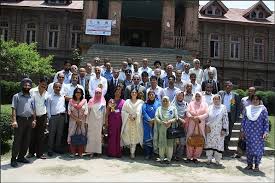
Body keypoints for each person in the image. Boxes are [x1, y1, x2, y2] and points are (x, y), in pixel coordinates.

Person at [10, 78, 36, 167]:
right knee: (17, 140)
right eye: (25, 85)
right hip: (20, 120)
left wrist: (34, 120)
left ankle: (21, 157)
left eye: (29, 85)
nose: (27, 86)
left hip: (29, 120)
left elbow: (33, 109)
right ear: (22, 85)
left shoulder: (32, 97)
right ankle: (13, 159)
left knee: (26, 140)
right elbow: (14, 109)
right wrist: (14, 120)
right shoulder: (16, 96)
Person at [241, 94, 269, 172]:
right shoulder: (247, 109)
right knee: (249, 149)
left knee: (258, 150)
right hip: (248, 133)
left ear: (259, 101)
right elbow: (243, 120)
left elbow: (266, 122)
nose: (255, 101)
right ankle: (249, 164)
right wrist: (242, 131)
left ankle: (257, 165)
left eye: (257, 99)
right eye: (254, 99)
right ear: (251, 100)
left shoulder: (263, 109)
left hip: (259, 134)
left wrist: (265, 132)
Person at [27, 76, 49, 160]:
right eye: (42, 84)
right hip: (33, 117)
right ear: (39, 83)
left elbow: (46, 105)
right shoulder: (32, 91)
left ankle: (40, 154)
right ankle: (31, 153)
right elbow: (29, 104)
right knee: (32, 135)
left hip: (43, 116)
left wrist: (46, 118)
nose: (44, 86)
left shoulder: (46, 93)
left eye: (45, 85)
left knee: (41, 135)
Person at [204, 95, 229, 166]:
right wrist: (207, 126)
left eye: (217, 99)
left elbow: (225, 119)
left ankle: (217, 160)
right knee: (209, 143)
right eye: (214, 99)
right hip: (210, 129)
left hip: (219, 129)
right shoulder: (210, 107)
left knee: (219, 144)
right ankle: (209, 159)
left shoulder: (223, 107)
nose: (216, 100)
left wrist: (224, 129)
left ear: (220, 100)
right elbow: (207, 118)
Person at [121, 88, 144, 159]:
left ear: (137, 94)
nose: (134, 93)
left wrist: (136, 115)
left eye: (135, 92)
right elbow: (123, 111)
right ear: (130, 93)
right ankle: (128, 150)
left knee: (134, 137)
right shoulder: (127, 101)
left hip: (137, 122)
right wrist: (128, 116)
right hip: (128, 121)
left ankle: (132, 153)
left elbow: (142, 111)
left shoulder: (141, 102)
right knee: (128, 136)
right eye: (132, 92)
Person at [154, 96, 178, 164]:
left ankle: (169, 159)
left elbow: (176, 117)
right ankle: (161, 158)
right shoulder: (159, 108)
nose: (165, 102)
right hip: (162, 128)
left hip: (170, 128)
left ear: (169, 101)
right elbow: (156, 117)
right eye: (163, 101)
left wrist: (170, 122)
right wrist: (162, 122)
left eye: (166, 101)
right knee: (161, 144)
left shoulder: (173, 108)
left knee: (169, 144)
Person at [185, 92, 208, 163]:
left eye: (199, 96)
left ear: (201, 97)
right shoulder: (191, 104)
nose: (197, 97)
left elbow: (207, 113)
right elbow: (187, 112)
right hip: (192, 123)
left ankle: (195, 157)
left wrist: (198, 117)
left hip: (200, 124)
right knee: (189, 138)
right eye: (196, 96)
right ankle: (189, 156)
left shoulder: (205, 104)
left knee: (200, 139)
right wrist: (192, 117)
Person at [218, 81, 240, 152]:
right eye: (226, 85)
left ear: (232, 87)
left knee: (229, 131)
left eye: (229, 86)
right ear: (224, 86)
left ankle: (226, 146)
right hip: (222, 115)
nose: (228, 87)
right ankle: (219, 146)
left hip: (231, 116)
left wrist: (236, 118)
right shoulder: (220, 94)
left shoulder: (234, 95)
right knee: (220, 130)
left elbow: (237, 108)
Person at [67, 88, 88, 158]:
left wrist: (80, 119)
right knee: (72, 135)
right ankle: (73, 152)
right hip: (73, 121)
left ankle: (80, 153)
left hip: (82, 121)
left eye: (79, 92)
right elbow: (69, 112)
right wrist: (76, 119)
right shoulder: (71, 101)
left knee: (81, 135)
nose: (78, 94)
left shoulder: (84, 101)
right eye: (76, 92)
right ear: (74, 93)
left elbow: (86, 112)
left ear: (82, 94)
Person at [47, 82, 66, 157]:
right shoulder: (50, 97)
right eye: (56, 87)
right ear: (53, 88)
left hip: (61, 116)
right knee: (52, 133)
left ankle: (57, 148)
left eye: (59, 87)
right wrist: (50, 118)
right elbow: (48, 108)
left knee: (59, 133)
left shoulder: (62, 96)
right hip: (53, 117)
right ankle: (50, 149)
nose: (58, 89)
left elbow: (63, 105)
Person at [105, 86, 125, 157]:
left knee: (118, 137)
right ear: (114, 93)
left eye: (119, 92)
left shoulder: (123, 102)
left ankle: (118, 153)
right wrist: (106, 121)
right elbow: (107, 112)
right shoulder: (111, 101)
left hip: (120, 121)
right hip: (112, 121)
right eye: (116, 92)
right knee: (112, 136)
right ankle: (111, 152)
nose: (118, 93)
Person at [86, 88, 106, 157]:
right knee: (91, 136)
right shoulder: (91, 101)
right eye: (96, 93)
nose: (98, 94)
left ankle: (97, 151)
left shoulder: (103, 102)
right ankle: (91, 151)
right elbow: (88, 112)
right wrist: (86, 122)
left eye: (99, 93)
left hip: (99, 122)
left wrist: (103, 123)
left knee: (98, 137)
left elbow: (104, 113)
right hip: (91, 121)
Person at [142, 90, 160, 160]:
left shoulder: (158, 103)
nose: (151, 96)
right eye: (150, 95)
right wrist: (149, 120)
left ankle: (153, 153)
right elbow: (144, 112)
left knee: (154, 138)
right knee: (147, 139)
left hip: (156, 123)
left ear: (154, 95)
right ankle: (147, 154)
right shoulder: (145, 104)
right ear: (148, 96)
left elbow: (159, 112)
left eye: (152, 94)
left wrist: (154, 120)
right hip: (147, 124)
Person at [172, 91, 188, 161]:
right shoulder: (172, 104)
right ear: (176, 96)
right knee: (174, 142)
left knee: (182, 142)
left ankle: (179, 155)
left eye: (182, 95)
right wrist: (178, 119)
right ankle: (172, 155)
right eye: (179, 95)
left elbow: (187, 113)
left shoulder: (186, 104)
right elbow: (171, 113)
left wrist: (184, 121)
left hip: (183, 125)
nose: (180, 97)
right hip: (174, 124)